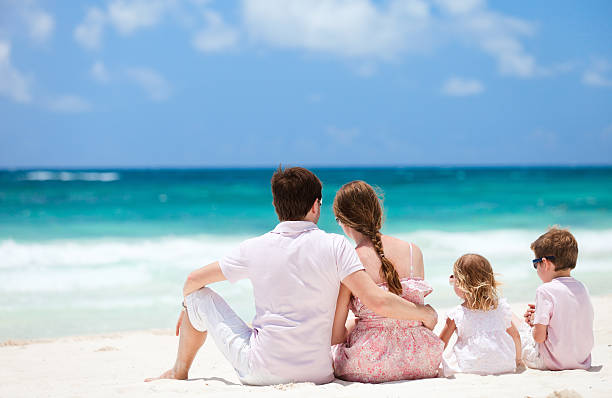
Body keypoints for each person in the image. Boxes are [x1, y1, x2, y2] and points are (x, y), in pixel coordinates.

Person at [145, 167, 437, 385]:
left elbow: (192, 281)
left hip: (261, 370)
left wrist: (188, 308)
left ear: (275, 207)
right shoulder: (336, 246)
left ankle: (179, 372)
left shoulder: (254, 248)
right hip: (319, 373)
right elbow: (376, 299)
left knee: (198, 297)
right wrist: (422, 312)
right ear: (316, 206)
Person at [331, 181, 443, 383]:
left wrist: (355, 326)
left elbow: (336, 335)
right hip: (422, 357)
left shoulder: (350, 259)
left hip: (371, 362)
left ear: (343, 221)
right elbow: (417, 314)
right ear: (377, 212)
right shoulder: (413, 250)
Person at [520, 227, 594, 370]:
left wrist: (536, 323)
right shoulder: (582, 288)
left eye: (536, 264)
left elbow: (539, 338)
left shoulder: (545, 290)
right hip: (582, 361)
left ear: (545, 263)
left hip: (551, 361)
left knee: (520, 331)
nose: (536, 269)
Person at [439, 253, 521, 376]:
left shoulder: (456, 314)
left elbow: (440, 345)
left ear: (461, 283)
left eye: (453, 277)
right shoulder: (500, 308)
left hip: (470, 366)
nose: (451, 280)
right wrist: (517, 360)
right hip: (505, 364)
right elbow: (516, 336)